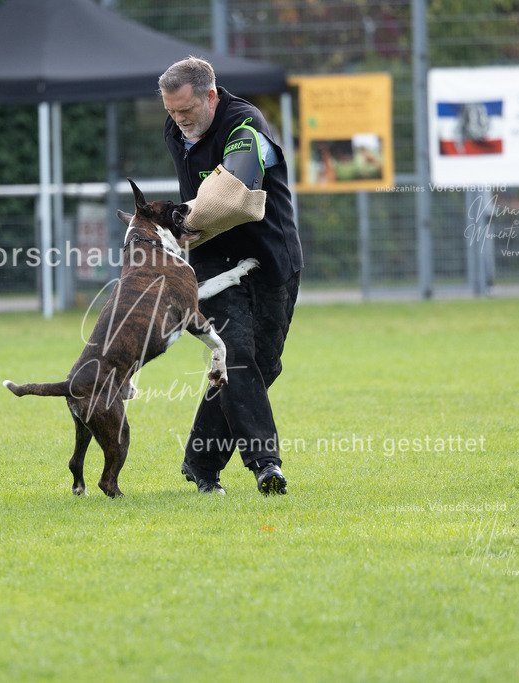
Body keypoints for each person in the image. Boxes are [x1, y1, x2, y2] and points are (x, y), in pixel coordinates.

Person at [158, 56, 303, 496]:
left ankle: (200, 460)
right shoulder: (175, 129)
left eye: (186, 110)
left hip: (271, 259)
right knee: (235, 356)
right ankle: (266, 465)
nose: (178, 121)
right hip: (214, 264)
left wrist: (177, 231)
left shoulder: (247, 127)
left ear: (211, 96)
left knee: (263, 366)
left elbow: (233, 197)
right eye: (171, 112)